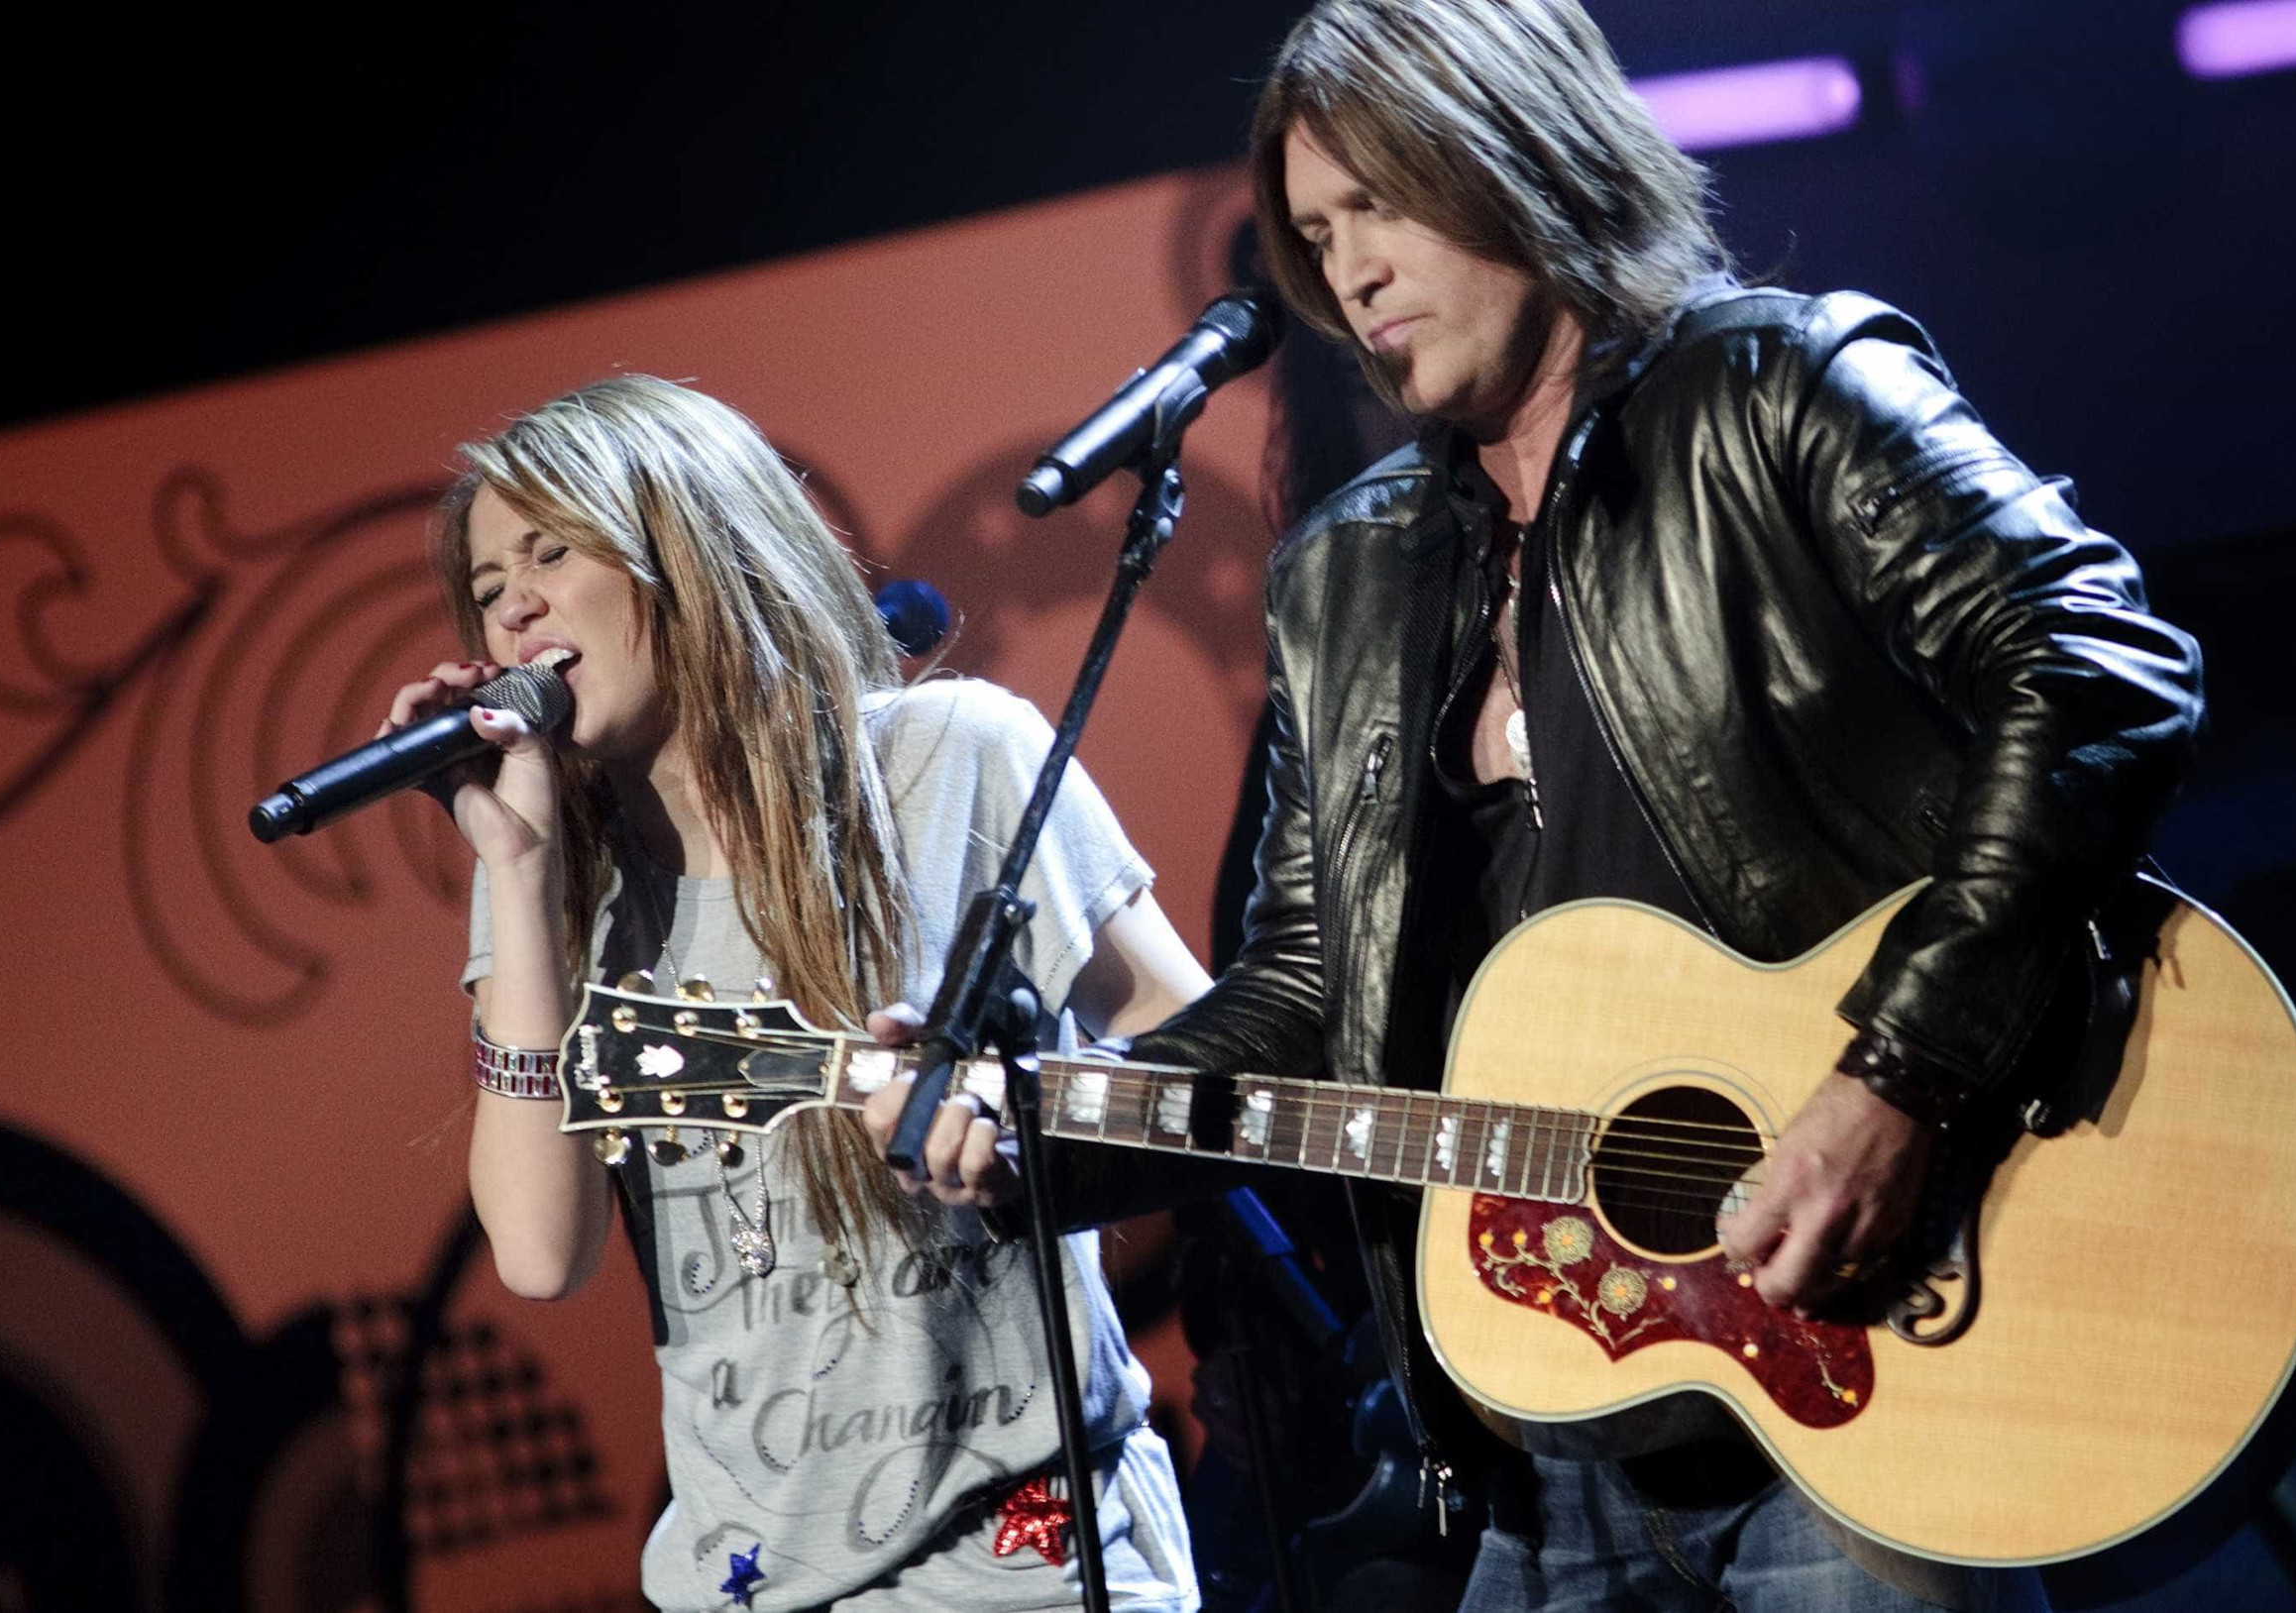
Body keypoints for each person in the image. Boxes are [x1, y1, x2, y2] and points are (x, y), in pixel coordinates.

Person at [881, 3, 2206, 1610]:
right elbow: (1314, 993)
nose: (1350, 273)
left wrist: (1899, 1079)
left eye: (1377, 204)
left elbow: (2100, 670)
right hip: (1549, 1428)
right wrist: (1045, 1131)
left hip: (1873, 1363)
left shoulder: (1774, 390)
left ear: (1516, 153)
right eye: (1316, 238)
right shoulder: (1348, 577)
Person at [391, 375, 1211, 1613]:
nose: (513, 607)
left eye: (549, 551)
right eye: (488, 582)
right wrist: (516, 867)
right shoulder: (555, 878)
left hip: (1032, 1562)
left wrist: (1025, 1117)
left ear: (687, 547)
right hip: (751, 1584)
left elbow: (1203, 1053)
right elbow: (541, 1251)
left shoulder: (953, 756)